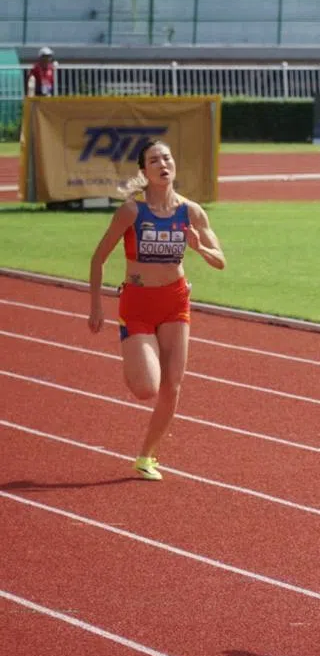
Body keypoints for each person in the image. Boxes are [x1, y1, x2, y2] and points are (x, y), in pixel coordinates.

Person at [87, 139, 227, 480]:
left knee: (172, 386)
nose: (163, 163)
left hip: (175, 301)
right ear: (144, 171)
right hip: (137, 303)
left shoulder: (191, 212)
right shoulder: (132, 211)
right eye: (154, 160)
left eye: (166, 157)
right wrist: (96, 306)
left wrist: (199, 249)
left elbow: (220, 261)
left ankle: (146, 456)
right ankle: (132, 359)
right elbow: (98, 258)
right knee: (147, 387)